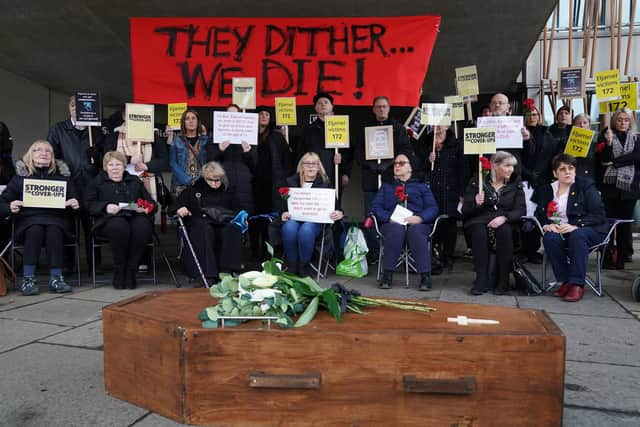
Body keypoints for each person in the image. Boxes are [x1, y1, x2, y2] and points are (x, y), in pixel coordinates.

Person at [0, 140, 80, 295]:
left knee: (53, 230)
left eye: (48, 151)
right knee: (35, 229)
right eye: (38, 150)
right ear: (31, 155)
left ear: (52, 157)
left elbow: (77, 206)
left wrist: (75, 204)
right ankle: (28, 279)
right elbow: (2, 203)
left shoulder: (63, 179)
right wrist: (10, 206)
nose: (44, 153)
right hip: (29, 222)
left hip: (57, 221)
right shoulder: (19, 179)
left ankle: (56, 278)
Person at [535, 153, 608, 302]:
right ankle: (566, 280)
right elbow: (539, 213)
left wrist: (577, 225)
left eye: (571, 168)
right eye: (562, 169)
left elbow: (599, 214)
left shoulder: (586, 185)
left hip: (590, 229)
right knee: (550, 238)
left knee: (578, 235)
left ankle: (577, 284)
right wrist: (547, 225)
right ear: (555, 173)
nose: (567, 172)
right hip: (562, 230)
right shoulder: (546, 190)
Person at [47, 95, 103, 270]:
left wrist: (98, 157)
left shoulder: (96, 131)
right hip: (68, 184)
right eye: (73, 105)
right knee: (68, 226)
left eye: (80, 106)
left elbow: (106, 160)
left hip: (91, 184)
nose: (76, 109)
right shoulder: (58, 129)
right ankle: (68, 264)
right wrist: (64, 173)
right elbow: (51, 156)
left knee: (92, 225)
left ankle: (95, 264)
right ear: (69, 108)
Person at [86, 151, 156, 289]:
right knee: (119, 226)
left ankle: (131, 269)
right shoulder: (97, 182)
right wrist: (105, 207)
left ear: (124, 166)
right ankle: (120, 268)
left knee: (142, 226)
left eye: (118, 164)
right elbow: (88, 204)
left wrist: (146, 208)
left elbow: (151, 203)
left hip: (135, 217)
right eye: (110, 164)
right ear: (105, 167)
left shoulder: (134, 181)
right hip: (109, 220)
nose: (115, 167)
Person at [356, 95, 413, 262]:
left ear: (389, 108)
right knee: (370, 215)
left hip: (391, 179)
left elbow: (406, 150)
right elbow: (358, 152)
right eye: (378, 107)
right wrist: (369, 164)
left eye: (384, 106)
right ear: (373, 109)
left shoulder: (397, 128)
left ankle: (392, 249)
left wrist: (389, 163)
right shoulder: (365, 128)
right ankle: (375, 250)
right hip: (370, 178)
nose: (381, 109)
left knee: (392, 214)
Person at [371, 153, 439, 291]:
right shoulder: (387, 186)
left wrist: (420, 218)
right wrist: (389, 217)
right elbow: (375, 207)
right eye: (395, 163)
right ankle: (387, 275)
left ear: (410, 168)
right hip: (392, 224)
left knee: (415, 231)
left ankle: (425, 276)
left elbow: (433, 208)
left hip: (417, 223)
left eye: (401, 163)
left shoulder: (421, 186)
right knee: (396, 230)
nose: (397, 166)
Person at [462, 151, 525, 295]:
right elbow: (465, 210)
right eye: (507, 165)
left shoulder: (516, 183)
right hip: (479, 219)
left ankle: (503, 280)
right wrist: (475, 203)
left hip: (504, 220)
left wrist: (505, 218)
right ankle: (481, 279)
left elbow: (521, 210)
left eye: (512, 166)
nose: (511, 169)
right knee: (479, 232)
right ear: (495, 166)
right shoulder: (477, 181)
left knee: (505, 231)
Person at [171, 161, 243, 282]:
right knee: (205, 229)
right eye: (211, 180)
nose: (215, 183)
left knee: (233, 229)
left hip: (222, 224)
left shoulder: (226, 191)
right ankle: (208, 273)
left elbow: (237, 209)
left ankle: (227, 271)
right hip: (199, 223)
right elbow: (174, 207)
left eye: (218, 180)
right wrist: (181, 209)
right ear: (204, 178)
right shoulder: (193, 190)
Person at [279, 152, 344, 277]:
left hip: (316, 222)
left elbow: (337, 208)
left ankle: (304, 265)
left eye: (314, 164)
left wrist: (339, 213)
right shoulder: (291, 182)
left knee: (306, 229)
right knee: (289, 227)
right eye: (307, 163)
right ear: (301, 166)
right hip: (295, 218)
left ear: (319, 167)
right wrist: (283, 213)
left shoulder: (326, 183)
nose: (310, 166)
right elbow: (282, 205)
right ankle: (292, 265)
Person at [595, 108, 640, 268]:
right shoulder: (605, 135)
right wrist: (607, 144)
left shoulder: (636, 137)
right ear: (614, 121)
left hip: (629, 189)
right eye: (620, 119)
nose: (622, 122)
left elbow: (636, 157)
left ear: (630, 122)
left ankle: (621, 259)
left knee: (624, 226)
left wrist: (615, 162)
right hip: (609, 189)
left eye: (626, 120)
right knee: (607, 224)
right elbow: (603, 160)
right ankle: (606, 257)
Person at [418, 124, 464, 271]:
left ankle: (448, 256)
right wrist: (427, 160)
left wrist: (462, 192)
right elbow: (417, 168)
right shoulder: (425, 142)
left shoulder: (456, 143)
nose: (437, 126)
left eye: (441, 123)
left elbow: (463, 168)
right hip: (431, 190)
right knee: (433, 222)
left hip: (451, 189)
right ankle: (434, 255)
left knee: (450, 223)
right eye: (435, 123)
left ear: (447, 124)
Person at [251, 106, 292, 260]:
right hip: (254, 184)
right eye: (260, 114)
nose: (263, 116)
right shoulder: (249, 136)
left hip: (273, 184)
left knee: (271, 220)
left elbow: (287, 160)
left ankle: (269, 252)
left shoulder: (277, 137)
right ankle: (254, 251)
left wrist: (285, 181)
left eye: (267, 114)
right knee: (254, 220)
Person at [520, 103, 556, 264]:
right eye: (528, 115)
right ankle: (523, 249)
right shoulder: (518, 133)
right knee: (524, 215)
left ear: (539, 116)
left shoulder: (547, 134)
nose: (532, 117)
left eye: (534, 114)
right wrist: (528, 173)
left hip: (542, 180)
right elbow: (517, 156)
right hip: (524, 180)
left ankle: (534, 250)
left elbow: (550, 157)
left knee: (538, 215)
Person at [206, 104, 257, 214]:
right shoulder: (215, 138)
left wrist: (247, 153)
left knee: (244, 219)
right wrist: (219, 150)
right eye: (230, 115)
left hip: (244, 187)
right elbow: (209, 162)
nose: (233, 118)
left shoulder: (249, 137)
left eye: (236, 115)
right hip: (224, 184)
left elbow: (255, 165)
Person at [297, 92, 352, 191]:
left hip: (335, 173)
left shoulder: (340, 127)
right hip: (313, 175)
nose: (323, 105)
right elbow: (301, 153)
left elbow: (349, 152)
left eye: (326, 102)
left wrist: (346, 172)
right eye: (319, 103)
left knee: (335, 204)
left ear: (332, 107)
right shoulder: (308, 129)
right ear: (315, 108)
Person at [169, 109, 209, 195]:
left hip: (201, 183)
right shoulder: (177, 140)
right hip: (181, 185)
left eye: (193, 118)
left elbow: (208, 162)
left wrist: (200, 179)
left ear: (198, 122)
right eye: (187, 118)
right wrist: (186, 179)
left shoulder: (205, 141)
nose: (191, 121)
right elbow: (172, 163)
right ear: (183, 122)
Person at [571, 114, 598, 182]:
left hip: (590, 178)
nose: (582, 125)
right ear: (573, 126)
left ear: (589, 126)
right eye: (578, 123)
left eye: (585, 123)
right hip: (572, 178)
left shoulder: (595, 143)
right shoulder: (566, 142)